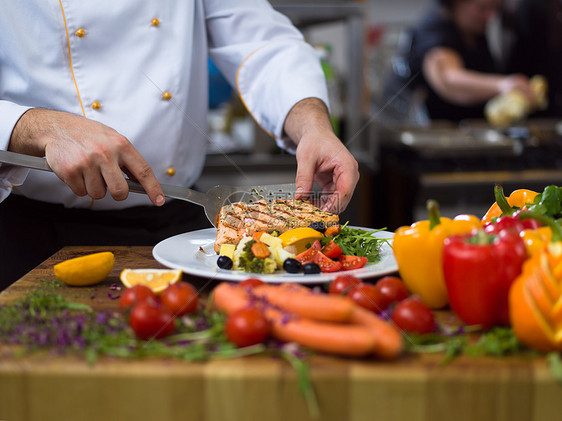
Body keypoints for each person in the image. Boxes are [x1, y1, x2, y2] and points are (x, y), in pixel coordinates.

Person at [0, 1, 359, 289]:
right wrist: (30, 126)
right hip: (30, 233)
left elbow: (262, 42)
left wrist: (314, 124)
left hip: (178, 226)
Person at [382, 0, 538, 122]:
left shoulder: (473, 32)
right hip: (424, 141)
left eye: (494, 9)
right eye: (482, 8)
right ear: (457, 3)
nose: (490, 16)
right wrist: (502, 85)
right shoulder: (436, 29)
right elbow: (448, 79)